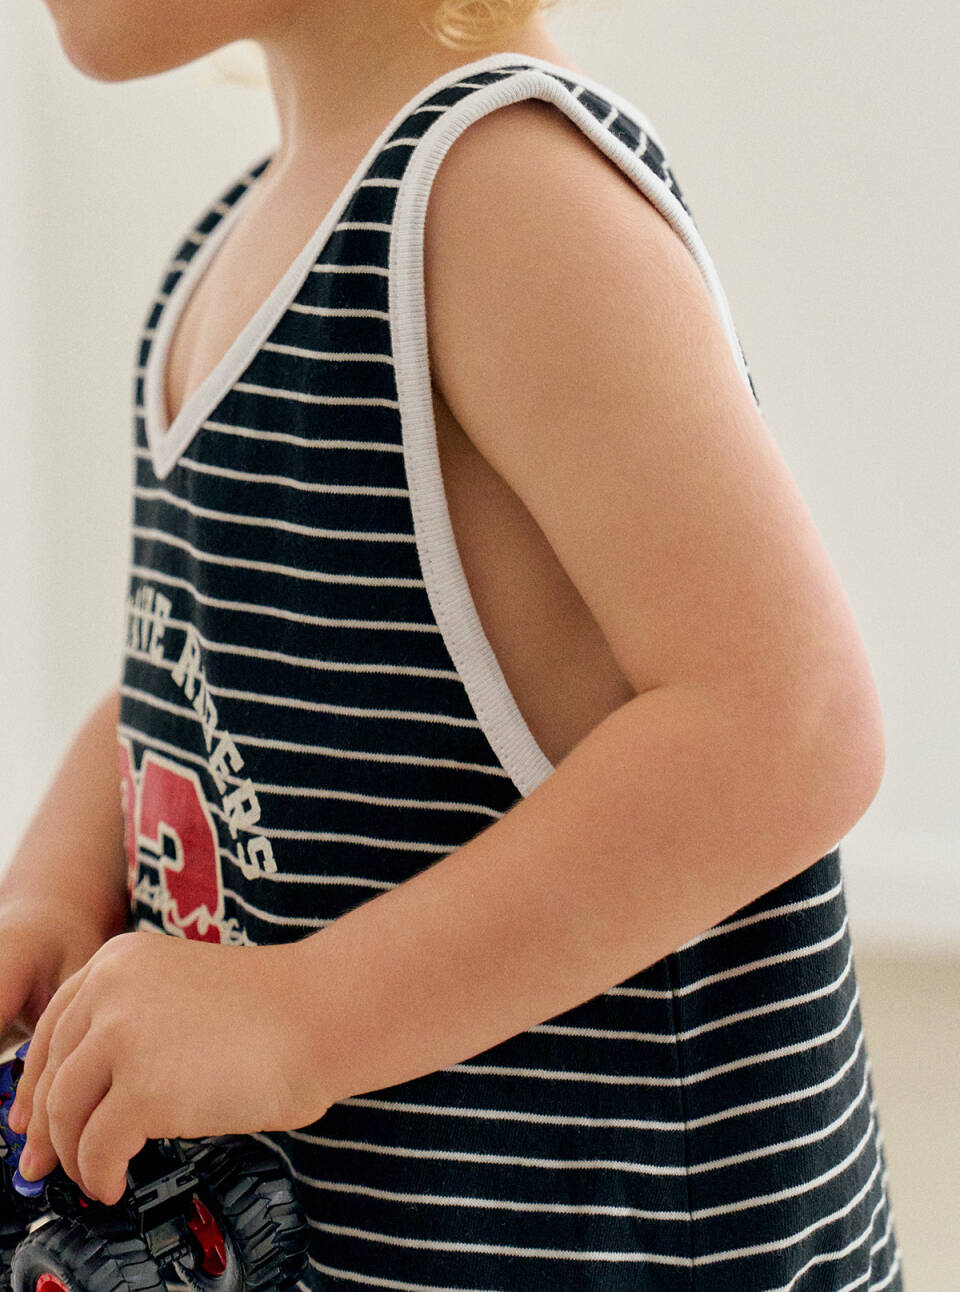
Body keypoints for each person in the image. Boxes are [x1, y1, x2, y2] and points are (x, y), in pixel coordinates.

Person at [1, 0, 904, 1287]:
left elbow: (788, 725)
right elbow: (194, 674)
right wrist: (54, 893)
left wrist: (297, 1014)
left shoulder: (496, 193)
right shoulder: (228, 252)